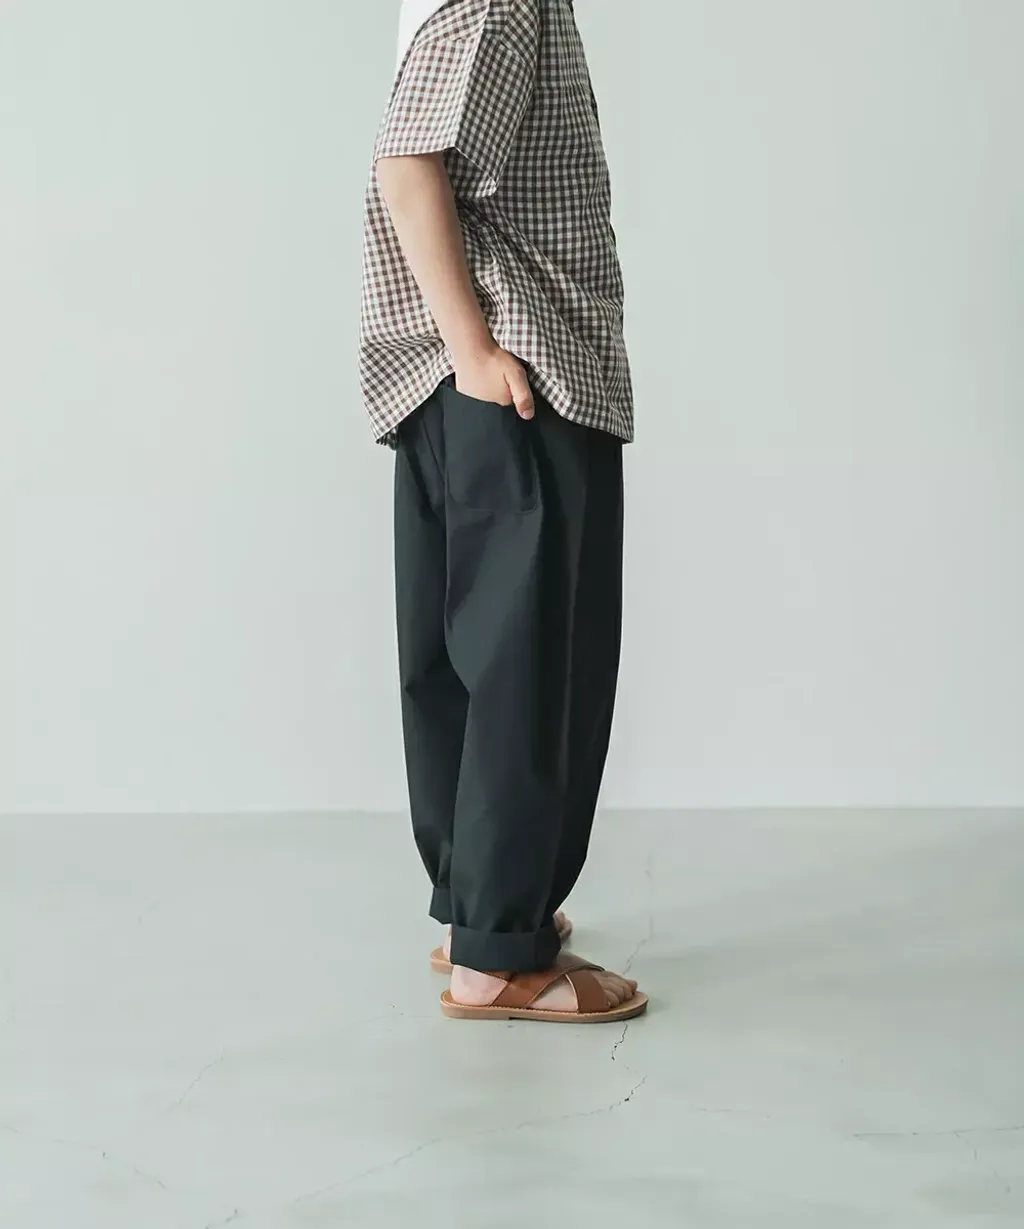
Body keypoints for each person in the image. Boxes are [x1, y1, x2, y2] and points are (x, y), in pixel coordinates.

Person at [359, 0, 647, 1023]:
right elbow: (410, 167)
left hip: (463, 379)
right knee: (532, 667)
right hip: (521, 369)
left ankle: (477, 914)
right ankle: (499, 957)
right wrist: (476, 350)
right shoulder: (501, 3)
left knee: (467, 664)